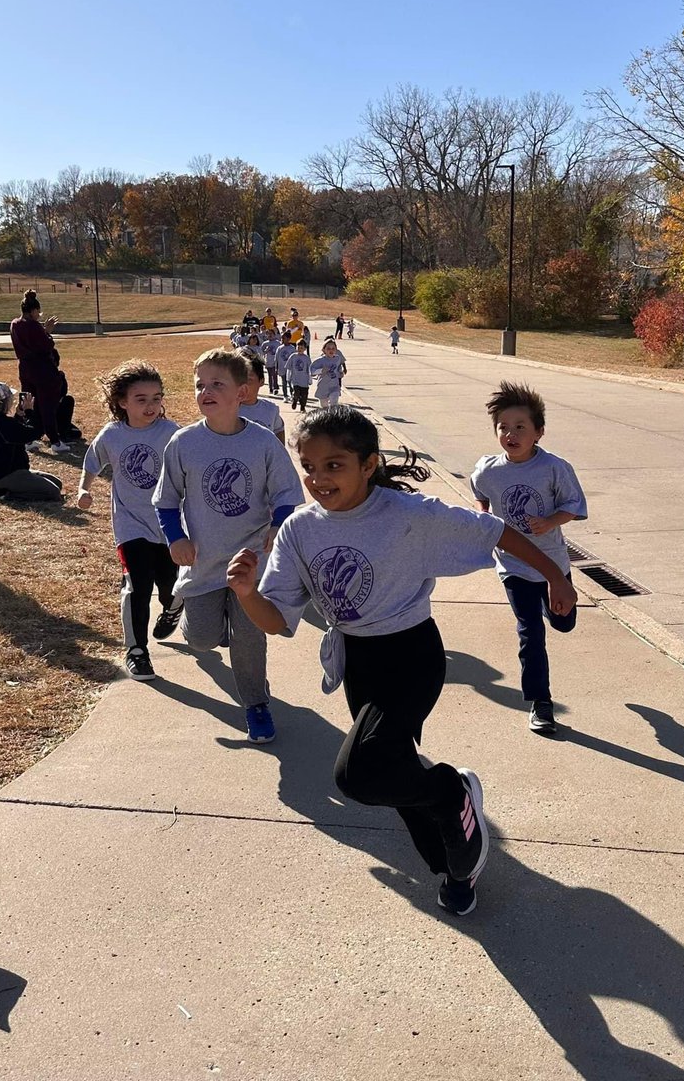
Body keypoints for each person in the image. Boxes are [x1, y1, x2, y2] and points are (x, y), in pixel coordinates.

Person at [226, 407, 576, 916]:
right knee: (393, 770)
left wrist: (556, 577)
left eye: (335, 465)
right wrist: (244, 591)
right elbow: (277, 621)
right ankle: (456, 869)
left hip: (412, 655)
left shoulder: (409, 516)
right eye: (310, 466)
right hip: (358, 661)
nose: (318, 479)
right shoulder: (300, 530)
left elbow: (495, 531)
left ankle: (451, 789)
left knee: (358, 777)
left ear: (369, 465)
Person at [154, 350, 303, 743]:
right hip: (202, 560)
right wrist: (176, 538)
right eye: (200, 384)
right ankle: (196, 613)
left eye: (216, 384)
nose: (206, 391)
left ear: (243, 392)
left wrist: (278, 524)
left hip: (249, 562)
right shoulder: (183, 443)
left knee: (249, 636)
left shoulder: (264, 443)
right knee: (201, 639)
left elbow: (288, 493)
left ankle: (256, 705)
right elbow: (166, 500)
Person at [470, 382, 587, 734]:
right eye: (503, 427)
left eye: (520, 426)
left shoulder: (554, 468)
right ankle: (541, 703)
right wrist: (484, 518)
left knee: (563, 624)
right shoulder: (488, 470)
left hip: (553, 563)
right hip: (513, 566)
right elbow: (480, 494)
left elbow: (574, 507)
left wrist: (550, 521)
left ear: (539, 432)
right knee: (530, 633)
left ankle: (562, 608)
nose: (511, 433)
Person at [78, 360, 183, 681]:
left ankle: (172, 606)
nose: (151, 406)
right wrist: (84, 488)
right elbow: (92, 461)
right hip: (130, 525)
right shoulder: (112, 435)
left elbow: (190, 469)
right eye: (142, 399)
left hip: (168, 527)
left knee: (169, 584)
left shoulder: (172, 433)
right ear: (122, 401)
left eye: (157, 398)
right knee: (136, 584)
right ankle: (137, 651)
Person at [9, 290, 71, 454]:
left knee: (27, 401)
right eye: (38, 312)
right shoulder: (34, 326)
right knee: (47, 405)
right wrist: (47, 332)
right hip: (43, 370)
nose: (39, 315)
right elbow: (46, 346)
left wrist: (42, 331)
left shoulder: (15, 324)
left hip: (25, 369)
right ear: (33, 310)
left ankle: (28, 438)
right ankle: (55, 441)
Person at [0, 383, 63, 501]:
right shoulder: (3, 423)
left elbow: (13, 434)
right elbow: (34, 433)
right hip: (5, 475)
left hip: (7, 472)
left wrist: (18, 416)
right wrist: (29, 412)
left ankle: (4, 490)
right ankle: (6, 495)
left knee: (57, 484)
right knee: (53, 492)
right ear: (5, 402)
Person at [238, 349, 287, 444]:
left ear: (261, 381)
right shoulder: (227, 409)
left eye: (249, 380)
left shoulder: (271, 410)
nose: (243, 385)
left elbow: (279, 431)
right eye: (239, 380)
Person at [309, 336, 347, 409]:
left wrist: (340, 373)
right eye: (328, 349)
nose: (331, 350)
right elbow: (311, 371)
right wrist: (321, 370)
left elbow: (338, 367)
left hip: (334, 385)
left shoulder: (337, 359)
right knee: (324, 406)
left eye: (333, 348)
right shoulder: (320, 360)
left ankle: (333, 415)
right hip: (323, 386)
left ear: (336, 350)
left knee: (334, 400)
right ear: (324, 350)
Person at [285, 339, 313, 411]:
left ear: (305, 349)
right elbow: (289, 368)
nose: (300, 349)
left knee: (304, 395)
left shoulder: (307, 358)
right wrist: (288, 377)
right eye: (298, 347)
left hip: (304, 381)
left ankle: (302, 406)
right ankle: (294, 400)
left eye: (301, 348)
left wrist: (310, 380)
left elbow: (310, 370)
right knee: (296, 393)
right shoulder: (293, 356)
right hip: (295, 380)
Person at [275, 331, 297, 404]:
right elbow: (277, 358)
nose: (283, 339)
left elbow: (295, 358)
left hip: (290, 370)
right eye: (282, 338)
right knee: (284, 383)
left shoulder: (292, 348)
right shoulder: (279, 348)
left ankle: (292, 395)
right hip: (282, 368)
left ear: (289, 339)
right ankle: (285, 396)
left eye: (284, 338)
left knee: (290, 383)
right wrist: (276, 367)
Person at [261, 330, 282, 397]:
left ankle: (275, 387)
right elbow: (261, 352)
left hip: (275, 362)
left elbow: (280, 352)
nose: (270, 335)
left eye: (271, 334)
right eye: (268, 334)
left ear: (274, 335)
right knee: (270, 375)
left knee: (274, 375)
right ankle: (270, 388)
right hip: (268, 362)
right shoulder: (265, 343)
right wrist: (265, 351)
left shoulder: (277, 343)